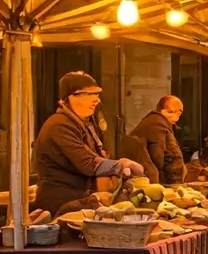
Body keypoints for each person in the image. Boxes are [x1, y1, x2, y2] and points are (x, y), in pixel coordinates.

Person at [33, 72, 146, 217]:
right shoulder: (59, 125)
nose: (97, 100)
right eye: (90, 94)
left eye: (97, 95)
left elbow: (97, 157)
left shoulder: (84, 123)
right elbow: (87, 163)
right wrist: (120, 165)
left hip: (79, 199)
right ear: (72, 96)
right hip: (60, 204)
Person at [126, 95, 186, 185]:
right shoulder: (158, 124)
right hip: (157, 180)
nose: (176, 118)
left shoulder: (152, 121)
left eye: (178, 114)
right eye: (173, 112)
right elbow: (158, 157)